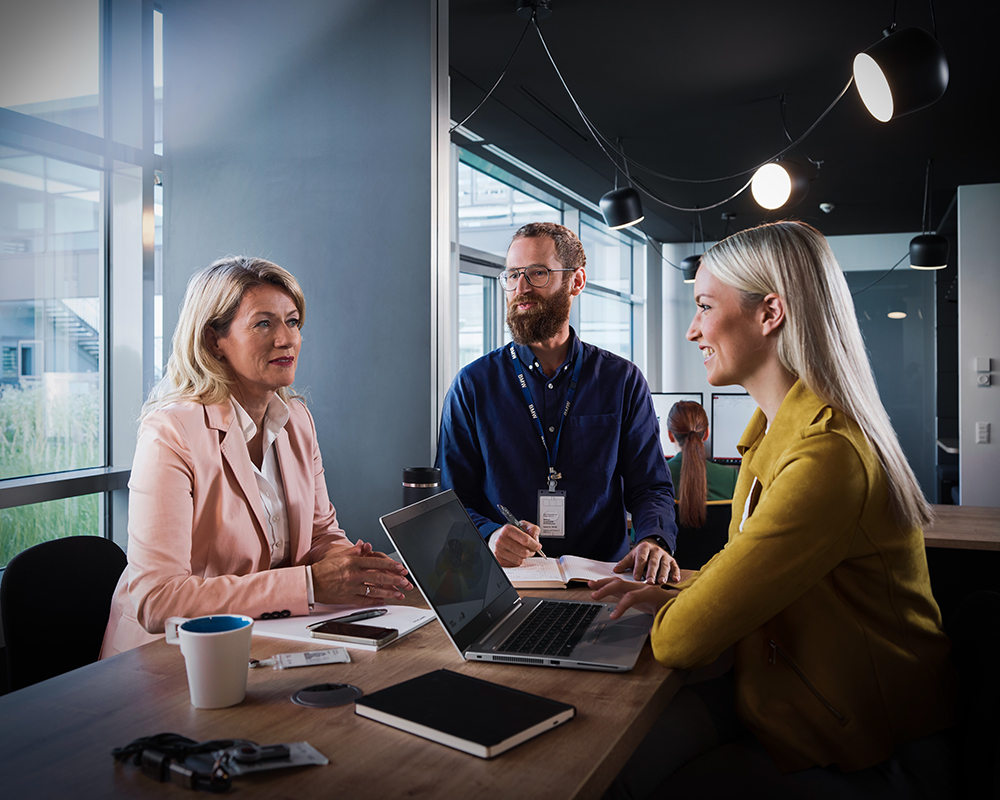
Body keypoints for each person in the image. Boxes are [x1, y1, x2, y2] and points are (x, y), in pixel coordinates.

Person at [591, 221, 955, 798]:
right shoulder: (768, 438)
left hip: (871, 745)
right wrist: (682, 594)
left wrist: (679, 608)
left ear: (770, 314)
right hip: (785, 697)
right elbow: (740, 567)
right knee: (614, 764)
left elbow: (679, 643)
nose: (692, 331)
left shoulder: (827, 456)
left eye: (705, 306)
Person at [101, 256, 411, 657]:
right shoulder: (171, 432)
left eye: (293, 321)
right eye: (264, 323)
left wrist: (354, 568)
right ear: (215, 340)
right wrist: (312, 584)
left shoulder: (297, 419)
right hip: (166, 660)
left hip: (265, 641)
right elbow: (158, 599)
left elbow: (320, 533)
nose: (287, 339)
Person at [436, 222, 679, 584]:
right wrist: (488, 534)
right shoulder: (472, 386)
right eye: (514, 274)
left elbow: (650, 486)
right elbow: (450, 497)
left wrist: (654, 540)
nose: (521, 288)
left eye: (537, 273)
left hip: (604, 583)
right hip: (506, 585)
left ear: (576, 282)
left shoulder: (622, 381)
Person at [664, 400, 737, 528]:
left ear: (670, 435)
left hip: (669, 549)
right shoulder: (731, 477)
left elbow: (640, 536)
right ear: (706, 434)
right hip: (722, 549)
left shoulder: (656, 476)